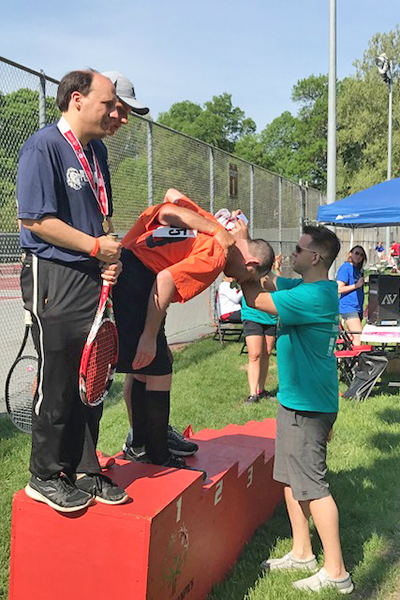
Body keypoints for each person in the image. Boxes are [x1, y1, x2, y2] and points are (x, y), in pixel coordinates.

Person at [17, 69, 129, 513]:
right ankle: (44, 475)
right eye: (109, 104)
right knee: (59, 378)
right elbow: (34, 220)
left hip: (90, 277)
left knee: (92, 377)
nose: (116, 112)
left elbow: (101, 217)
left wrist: (110, 257)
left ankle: (84, 468)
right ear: (77, 100)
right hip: (54, 276)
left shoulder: (96, 151)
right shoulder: (44, 146)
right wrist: (93, 247)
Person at [112, 190, 275, 470]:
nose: (238, 283)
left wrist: (211, 226)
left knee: (146, 366)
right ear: (252, 264)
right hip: (137, 279)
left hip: (132, 264)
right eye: (248, 279)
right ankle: (156, 452)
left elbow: (171, 196)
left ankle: (142, 441)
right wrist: (149, 337)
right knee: (157, 365)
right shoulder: (218, 257)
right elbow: (164, 280)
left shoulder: (214, 226)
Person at [242, 226, 353, 594]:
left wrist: (241, 265)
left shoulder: (315, 297)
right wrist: (252, 259)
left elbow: (258, 299)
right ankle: (303, 552)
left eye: (300, 249)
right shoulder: (307, 288)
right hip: (295, 400)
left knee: (315, 488)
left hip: (309, 407)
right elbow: (271, 282)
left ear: (316, 257)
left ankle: (337, 572)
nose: (293, 254)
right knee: (292, 481)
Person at [101, 70, 199, 459]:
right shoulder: (206, 235)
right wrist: (209, 221)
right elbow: (171, 202)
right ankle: (150, 446)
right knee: (153, 361)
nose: (123, 120)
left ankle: (142, 440)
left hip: (133, 276)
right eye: (119, 109)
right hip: (132, 276)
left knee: (144, 364)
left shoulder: (208, 247)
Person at [241, 255, 281, 404]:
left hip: (269, 317)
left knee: (267, 353)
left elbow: (279, 287)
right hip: (252, 316)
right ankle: (253, 394)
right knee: (255, 354)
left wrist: (276, 269)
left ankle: (261, 390)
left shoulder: (271, 275)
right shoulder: (249, 274)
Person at [337, 245, 366, 346]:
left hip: (358, 307)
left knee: (351, 336)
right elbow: (339, 288)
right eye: (356, 253)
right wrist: (356, 285)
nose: (358, 256)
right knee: (358, 336)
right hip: (348, 307)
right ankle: (359, 360)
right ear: (350, 254)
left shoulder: (357, 270)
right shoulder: (346, 268)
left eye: (361, 255)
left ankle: (349, 360)